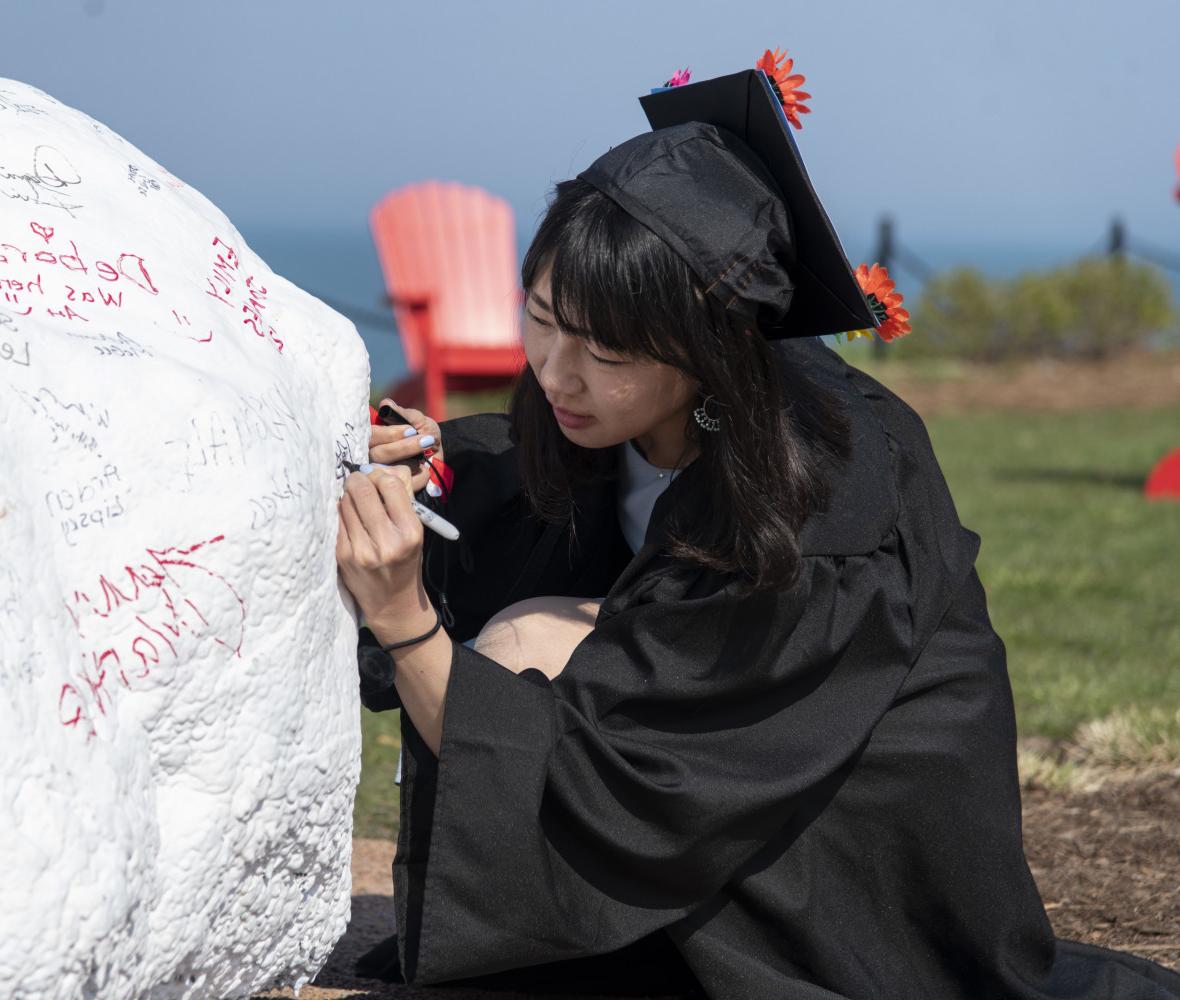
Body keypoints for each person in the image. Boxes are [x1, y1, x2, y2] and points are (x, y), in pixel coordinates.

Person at [334, 64, 1180, 998]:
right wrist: (429, 458)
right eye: (540, 320)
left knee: (521, 645)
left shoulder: (825, 500)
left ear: (709, 357)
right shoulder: (602, 393)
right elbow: (524, 470)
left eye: (604, 352)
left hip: (838, 855)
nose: (557, 373)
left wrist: (405, 618)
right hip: (728, 772)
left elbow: (625, 778)